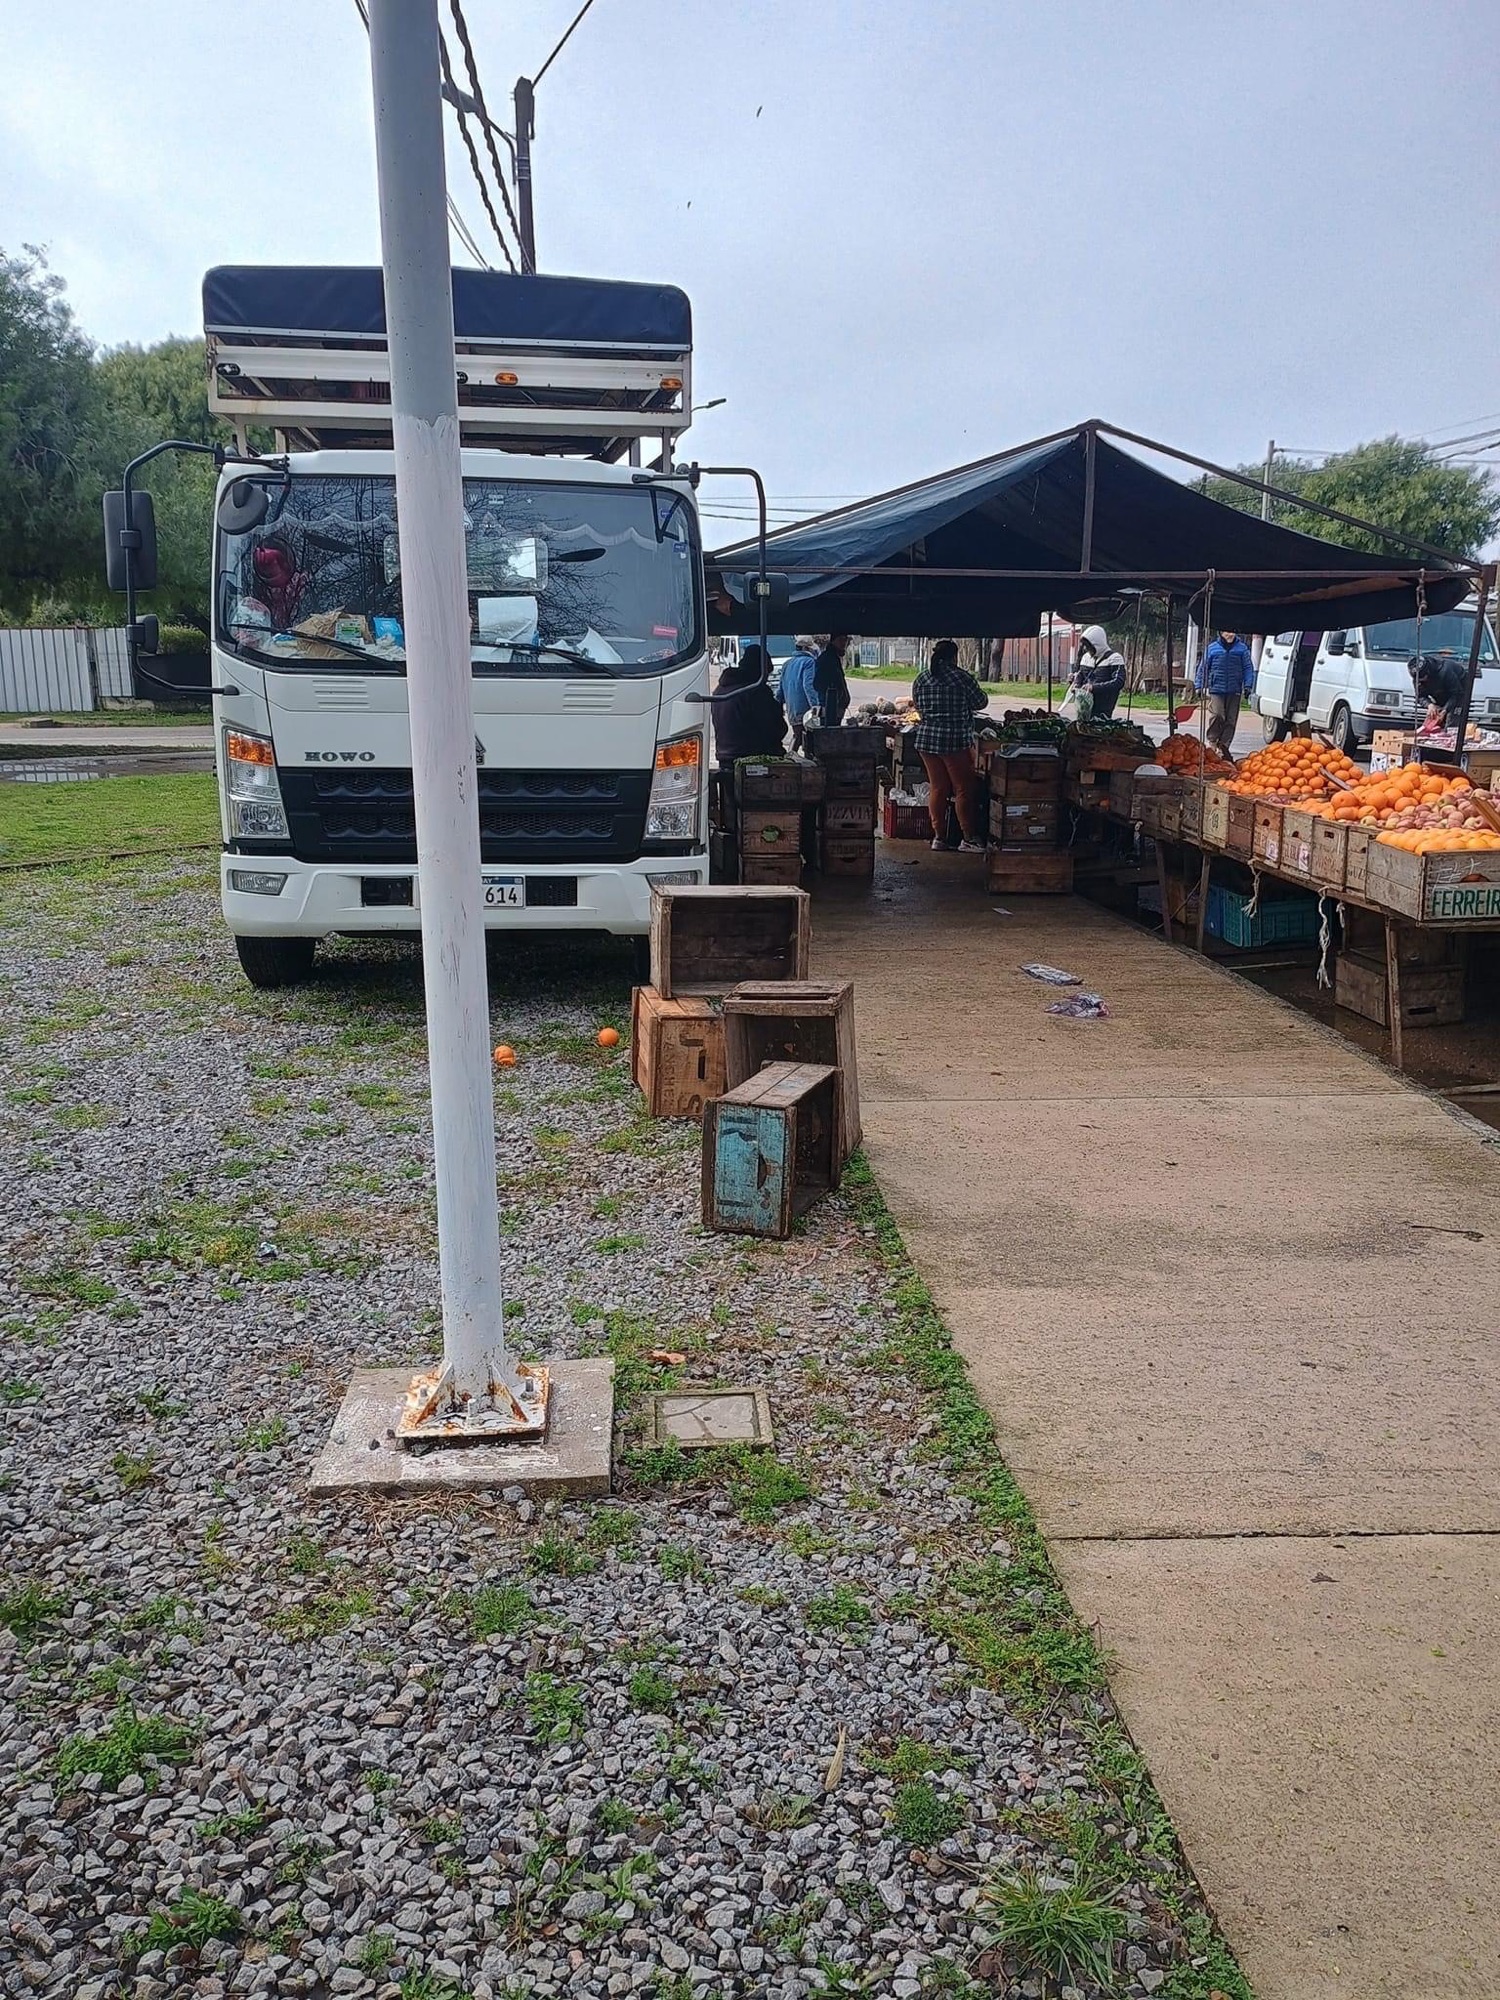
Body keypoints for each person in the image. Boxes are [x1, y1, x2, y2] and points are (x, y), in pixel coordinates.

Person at [912, 638, 988, 851]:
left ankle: (939, 837)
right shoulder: (962, 678)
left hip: (926, 740)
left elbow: (918, 706)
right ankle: (969, 838)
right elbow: (980, 702)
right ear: (954, 656)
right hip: (954, 741)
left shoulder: (922, 678)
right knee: (964, 788)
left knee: (938, 788)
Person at [710, 646, 785, 766]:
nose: (766, 679)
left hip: (724, 756)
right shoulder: (756, 691)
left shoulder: (720, 689)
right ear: (760, 670)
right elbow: (774, 729)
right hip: (753, 757)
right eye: (766, 674)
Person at [1196, 627, 1255, 756]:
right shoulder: (1212, 648)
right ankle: (1212, 741)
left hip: (1235, 690)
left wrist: (1248, 686)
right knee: (1217, 715)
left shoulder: (1242, 649)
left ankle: (1224, 746)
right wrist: (1199, 686)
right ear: (1221, 633)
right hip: (1216, 689)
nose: (1230, 634)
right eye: (1227, 632)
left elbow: (1248, 668)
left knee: (1231, 719)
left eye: (1232, 631)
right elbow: (1203, 668)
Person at [1070, 623, 1127, 720]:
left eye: (1089, 646)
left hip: (1104, 707)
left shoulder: (1114, 658)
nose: (1086, 649)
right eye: (1085, 646)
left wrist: (1094, 688)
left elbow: (1118, 682)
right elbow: (1081, 674)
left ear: (1097, 644)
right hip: (1084, 706)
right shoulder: (1086, 657)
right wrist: (1076, 684)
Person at [779, 635, 821, 750]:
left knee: (797, 736)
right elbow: (808, 686)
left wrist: (778, 705)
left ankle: (791, 759)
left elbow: (780, 689)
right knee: (808, 740)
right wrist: (815, 706)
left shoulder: (787, 664)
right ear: (806, 649)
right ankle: (800, 763)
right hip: (805, 710)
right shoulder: (809, 662)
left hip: (792, 709)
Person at [1410, 652, 1469, 731]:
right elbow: (1420, 696)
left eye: (1423, 678)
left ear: (1428, 673)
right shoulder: (1418, 679)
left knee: (1451, 721)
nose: (1422, 681)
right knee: (1435, 718)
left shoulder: (1445, 671)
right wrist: (1429, 705)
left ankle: (1452, 738)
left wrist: (1445, 710)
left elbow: (1456, 694)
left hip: (1459, 691)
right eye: (1419, 680)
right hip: (1439, 694)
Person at [812, 634, 852, 728]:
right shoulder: (827, 659)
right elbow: (817, 684)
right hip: (830, 709)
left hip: (836, 708)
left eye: (845, 640)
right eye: (841, 640)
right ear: (833, 641)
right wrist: (834, 696)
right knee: (831, 736)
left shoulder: (834, 658)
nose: (844, 643)